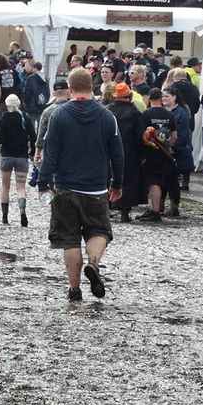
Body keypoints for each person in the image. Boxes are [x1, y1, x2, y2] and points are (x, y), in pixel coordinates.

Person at [40, 68, 124, 301]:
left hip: (65, 187)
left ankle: (74, 288)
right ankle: (94, 264)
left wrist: (43, 181)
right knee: (99, 231)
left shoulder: (59, 115)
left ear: (69, 86)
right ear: (92, 86)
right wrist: (118, 183)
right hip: (96, 188)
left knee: (69, 239)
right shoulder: (107, 116)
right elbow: (118, 154)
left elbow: (50, 153)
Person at [137, 89, 177, 222]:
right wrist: (167, 146)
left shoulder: (146, 114)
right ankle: (157, 207)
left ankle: (155, 211)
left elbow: (142, 136)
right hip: (165, 153)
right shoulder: (169, 115)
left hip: (150, 153)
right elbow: (174, 136)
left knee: (153, 182)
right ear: (161, 99)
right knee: (161, 181)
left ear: (149, 99)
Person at [0, 94, 35, 227]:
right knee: (21, 187)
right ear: (19, 104)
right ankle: (22, 211)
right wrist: (33, 151)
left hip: (7, 156)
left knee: (5, 186)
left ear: (7, 105)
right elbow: (33, 136)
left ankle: (4, 217)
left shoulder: (3, 119)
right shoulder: (25, 117)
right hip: (22, 157)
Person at [163, 86, 193, 210]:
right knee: (163, 180)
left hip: (176, 152)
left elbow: (183, 135)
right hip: (162, 151)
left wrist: (172, 147)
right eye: (163, 96)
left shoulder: (181, 113)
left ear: (174, 97)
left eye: (167, 96)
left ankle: (174, 207)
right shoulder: (162, 111)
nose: (164, 98)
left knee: (173, 181)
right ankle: (160, 205)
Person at [34, 80, 70, 166]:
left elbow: (41, 134)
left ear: (53, 93)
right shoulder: (74, 109)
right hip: (70, 150)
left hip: (52, 150)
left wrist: (37, 153)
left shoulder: (47, 111)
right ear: (68, 91)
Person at [22, 61, 48, 126]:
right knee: (41, 125)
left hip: (31, 106)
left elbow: (27, 93)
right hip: (42, 105)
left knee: (31, 126)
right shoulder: (45, 78)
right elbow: (48, 92)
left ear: (35, 68)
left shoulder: (30, 78)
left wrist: (25, 102)